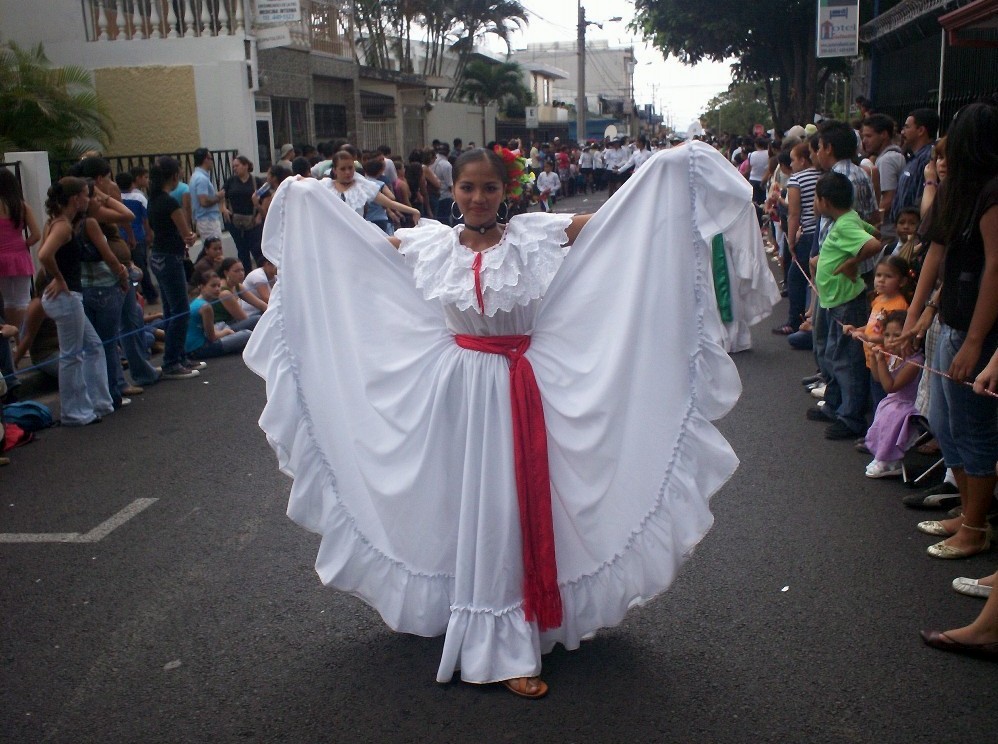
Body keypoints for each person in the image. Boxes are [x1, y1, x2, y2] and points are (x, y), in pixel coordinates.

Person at [245, 143, 774, 698]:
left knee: (509, 505)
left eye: (489, 188)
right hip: (456, 392)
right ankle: (471, 612)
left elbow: (621, 221)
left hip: (520, 384)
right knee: (463, 503)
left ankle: (509, 638)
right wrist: (309, 207)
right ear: (453, 192)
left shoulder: (534, 234)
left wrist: (667, 175)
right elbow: (359, 250)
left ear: (506, 191)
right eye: (467, 187)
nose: (477, 197)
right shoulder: (429, 243)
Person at [898, 102, 998, 561]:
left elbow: (995, 267)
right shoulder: (958, 190)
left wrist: (976, 342)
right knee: (943, 421)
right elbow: (934, 258)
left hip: (976, 330)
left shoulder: (992, 194)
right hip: (949, 321)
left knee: (973, 429)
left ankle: (976, 525)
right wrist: (914, 321)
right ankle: (967, 509)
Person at [808, 171, 883, 440]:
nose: (814, 204)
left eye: (816, 199)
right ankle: (834, 404)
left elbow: (873, 242)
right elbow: (874, 230)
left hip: (845, 303)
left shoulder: (843, 225)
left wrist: (852, 262)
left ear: (825, 201)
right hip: (834, 300)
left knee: (845, 360)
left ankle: (850, 417)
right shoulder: (848, 219)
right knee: (830, 353)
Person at [36, 178, 115, 425]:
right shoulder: (62, 226)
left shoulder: (57, 223)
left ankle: (97, 402)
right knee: (72, 355)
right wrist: (59, 279)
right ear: (74, 199)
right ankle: (74, 411)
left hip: (68, 297)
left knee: (93, 346)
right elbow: (44, 254)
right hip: (67, 298)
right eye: (84, 195)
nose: (87, 199)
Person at [148, 157, 202, 380]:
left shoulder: (152, 200)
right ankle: (173, 360)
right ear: (174, 175)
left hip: (158, 255)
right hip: (172, 257)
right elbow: (186, 234)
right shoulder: (170, 203)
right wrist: (192, 236)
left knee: (171, 309)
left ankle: (178, 356)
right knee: (180, 309)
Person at [842, 255, 911, 410]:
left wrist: (866, 337)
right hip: (872, 359)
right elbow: (873, 326)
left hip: (886, 363)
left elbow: (893, 338)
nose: (881, 280)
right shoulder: (878, 300)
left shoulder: (899, 305)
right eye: (878, 275)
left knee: (882, 403)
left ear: (902, 281)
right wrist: (856, 329)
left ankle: (880, 432)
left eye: (888, 276)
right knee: (875, 398)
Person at [862, 311, 923, 478]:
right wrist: (875, 359)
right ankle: (882, 456)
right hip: (895, 400)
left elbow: (890, 386)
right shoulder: (894, 356)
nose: (890, 340)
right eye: (887, 335)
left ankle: (889, 460)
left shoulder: (915, 361)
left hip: (909, 404)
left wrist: (881, 360)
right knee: (885, 409)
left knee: (893, 415)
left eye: (897, 335)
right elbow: (877, 377)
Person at [0, 168, 41, 331]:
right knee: (23, 299)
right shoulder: (22, 206)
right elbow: (36, 234)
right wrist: (24, 244)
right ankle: (24, 337)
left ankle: (12, 333)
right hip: (19, 256)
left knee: (7, 300)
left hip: (1, 256)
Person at [185, 270, 252, 360]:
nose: (217, 289)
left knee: (221, 325)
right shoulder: (206, 307)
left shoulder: (196, 301)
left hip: (192, 346)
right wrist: (226, 332)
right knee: (247, 334)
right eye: (213, 286)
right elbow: (212, 337)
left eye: (219, 286)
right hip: (199, 349)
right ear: (201, 286)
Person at [223, 155, 264, 272]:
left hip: (253, 221)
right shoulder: (231, 181)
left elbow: (266, 198)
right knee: (242, 251)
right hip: (235, 221)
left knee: (257, 250)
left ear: (246, 166)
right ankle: (246, 276)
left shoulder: (256, 181)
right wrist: (223, 208)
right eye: (233, 166)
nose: (235, 168)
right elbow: (222, 195)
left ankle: (262, 275)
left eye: (237, 165)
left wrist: (259, 215)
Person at [189, 147, 225, 241]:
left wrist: (215, 195)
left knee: (210, 249)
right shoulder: (201, 178)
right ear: (206, 159)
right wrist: (219, 197)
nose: (212, 162)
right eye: (211, 159)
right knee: (215, 250)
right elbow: (204, 202)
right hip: (208, 220)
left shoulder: (196, 176)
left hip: (204, 220)